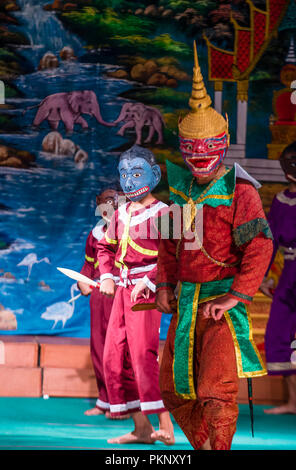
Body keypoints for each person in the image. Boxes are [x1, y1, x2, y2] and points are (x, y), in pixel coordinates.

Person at [155, 42, 274, 450]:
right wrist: (165, 286)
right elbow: (169, 247)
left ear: (222, 142)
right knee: (172, 388)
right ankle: (202, 447)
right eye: (191, 149)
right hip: (186, 301)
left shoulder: (240, 193)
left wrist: (236, 296)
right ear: (182, 148)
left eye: (207, 148)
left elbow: (259, 246)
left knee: (214, 386)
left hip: (220, 299)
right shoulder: (177, 192)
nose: (199, 157)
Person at [97, 145, 175, 445]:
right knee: (115, 356)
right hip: (123, 292)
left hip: (148, 296)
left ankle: (165, 425)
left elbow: (176, 257)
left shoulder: (168, 213)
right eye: (124, 174)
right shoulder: (120, 212)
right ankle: (142, 429)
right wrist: (106, 275)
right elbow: (105, 247)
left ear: (154, 175)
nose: (129, 181)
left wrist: (153, 282)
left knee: (143, 358)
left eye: (137, 173)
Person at [78, 187, 131, 418]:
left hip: (121, 292)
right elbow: (89, 264)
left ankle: (125, 403)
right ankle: (105, 400)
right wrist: (84, 281)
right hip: (100, 295)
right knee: (99, 346)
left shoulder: (128, 230)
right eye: (104, 202)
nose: (108, 206)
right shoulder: (96, 233)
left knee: (122, 348)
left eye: (113, 202)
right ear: (98, 204)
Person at [262, 139, 296, 415]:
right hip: (288, 274)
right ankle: (294, 402)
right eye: (288, 161)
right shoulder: (279, 200)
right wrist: (264, 277)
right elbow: (269, 242)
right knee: (279, 332)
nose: (292, 167)